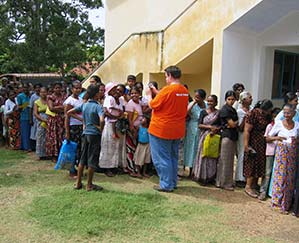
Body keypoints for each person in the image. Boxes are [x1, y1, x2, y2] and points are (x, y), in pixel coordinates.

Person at [146, 65, 189, 192]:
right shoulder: (184, 91)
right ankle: (172, 182)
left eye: (166, 76)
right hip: (177, 129)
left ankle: (165, 184)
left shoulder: (167, 90)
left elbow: (153, 104)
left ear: (170, 75)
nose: (166, 79)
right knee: (173, 157)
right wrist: (155, 91)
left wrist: (149, 95)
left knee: (161, 158)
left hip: (161, 129)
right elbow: (169, 99)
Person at [68, 85, 105, 191]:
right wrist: (100, 128)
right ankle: (89, 185)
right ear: (97, 94)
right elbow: (102, 120)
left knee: (82, 159)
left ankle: (78, 183)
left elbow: (69, 112)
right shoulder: (98, 107)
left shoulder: (84, 105)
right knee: (92, 160)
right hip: (94, 135)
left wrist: (83, 120)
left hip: (85, 134)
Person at [268, 104, 299, 213]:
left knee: (289, 179)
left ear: (294, 113)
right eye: (284, 112)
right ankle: (276, 201)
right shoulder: (278, 124)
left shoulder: (297, 125)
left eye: (288, 113)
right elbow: (268, 138)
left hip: (292, 154)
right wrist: (278, 138)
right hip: (281, 154)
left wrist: (296, 140)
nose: (286, 115)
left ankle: (285, 204)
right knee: (279, 177)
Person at [243, 99, 273, 198]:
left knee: (260, 163)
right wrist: (246, 145)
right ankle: (248, 186)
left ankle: (254, 184)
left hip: (263, 143)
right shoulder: (253, 114)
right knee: (252, 163)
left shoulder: (267, 115)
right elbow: (247, 130)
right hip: (253, 141)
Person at [99, 82, 126, 177]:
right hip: (109, 125)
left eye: (119, 90)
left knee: (116, 146)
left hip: (117, 125)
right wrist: (117, 117)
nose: (117, 92)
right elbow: (106, 112)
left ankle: (115, 166)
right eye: (115, 89)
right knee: (108, 146)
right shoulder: (108, 98)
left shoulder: (121, 100)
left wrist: (120, 116)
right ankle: (106, 168)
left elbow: (123, 110)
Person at [192, 95, 220, 185]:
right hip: (204, 136)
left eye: (211, 101)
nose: (209, 103)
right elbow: (199, 125)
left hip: (214, 137)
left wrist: (216, 129)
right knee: (203, 155)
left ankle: (210, 177)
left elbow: (221, 124)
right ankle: (202, 177)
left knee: (212, 156)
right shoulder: (203, 112)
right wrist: (210, 127)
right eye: (208, 101)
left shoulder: (218, 113)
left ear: (216, 103)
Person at [216, 91, 238, 190]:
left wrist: (233, 124)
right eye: (229, 99)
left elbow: (233, 124)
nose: (231, 101)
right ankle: (224, 183)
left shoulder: (232, 109)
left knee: (229, 160)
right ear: (225, 99)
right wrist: (234, 123)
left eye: (232, 99)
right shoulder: (225, 110)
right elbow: (233, 124)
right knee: (225, 160)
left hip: (232, 136)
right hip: (227, 136)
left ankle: (226, 181)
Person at [258, 107, 281, 200]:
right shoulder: (270, 126)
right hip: (270, 151)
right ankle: (263, 191)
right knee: (267, 172)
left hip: (280, 152)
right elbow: (266, 138)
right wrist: (277, 138)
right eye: (274, 116)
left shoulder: (283, 126)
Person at [183, 89, 206, 177]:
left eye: (198, 97)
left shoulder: (207, 105)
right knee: (191, 148)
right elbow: (186, 112)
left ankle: (197, 170)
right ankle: (189, 169)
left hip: (203, 129)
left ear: (203, 98)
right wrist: (193, 103)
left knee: (198, 149)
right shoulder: (192, 105)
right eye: (195, 96)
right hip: (193, 128)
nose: (196, 98)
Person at [64, 80, 83, 179]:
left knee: (79, 149)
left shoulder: (80, 99)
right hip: (72, 127)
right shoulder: (69, 101)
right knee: (72, 149)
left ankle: (77, 168)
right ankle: (71, 170)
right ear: (72, 89)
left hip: (80, 127)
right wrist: (67, 132)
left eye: (79, 88)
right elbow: (67, 116)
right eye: (76, 88)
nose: (78, 90)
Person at [46, 82, 67, 162]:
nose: (58, 89)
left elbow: (66, 107)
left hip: (62, 120)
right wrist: (61, 108)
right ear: (53, 89)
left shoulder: (64, 96)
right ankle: (53, 155)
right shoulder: (50, 97)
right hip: (53, 120)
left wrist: (57, 107)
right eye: (56, 88)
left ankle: (61, 154)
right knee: (53, 137)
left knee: (61, 136)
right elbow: (51, 108)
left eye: (59, 88)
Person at [235, 91, 253, 187]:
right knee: (241, 154)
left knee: (248, 156)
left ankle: (247, 176)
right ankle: (239, 178)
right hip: (242, 135)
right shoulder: (239, 111)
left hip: (250, 135)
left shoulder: (252, 109)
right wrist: (246, 117)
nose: (251, 99)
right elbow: (240, 127)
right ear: (244, 100)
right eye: (250, 97)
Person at [34, 87, 48, 160]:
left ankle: (47, 153)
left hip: (49, 119)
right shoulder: (37, 102)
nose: (43, 94)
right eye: (42, 92)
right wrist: (43, 119)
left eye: (45, 92)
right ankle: (40, 154)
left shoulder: (49, 101)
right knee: (40, 137)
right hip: (41, 120)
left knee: (48, 137)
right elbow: (35, 113)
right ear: (39, 93)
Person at [17, 83, 31, 151]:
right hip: (24, 116)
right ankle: (26, 147)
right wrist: (25, 105)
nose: (25, 89)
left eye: (27, 88)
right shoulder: (20, 96)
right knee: (25, 132)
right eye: (24, 88)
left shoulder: (31, 95)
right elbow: (18, 107)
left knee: (30, 133)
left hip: (31, 116)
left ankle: (31, 146)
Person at [29, 83, 41, 150]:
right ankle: (33, 147)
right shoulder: (33, 96)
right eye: (36, 88)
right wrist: (30, 119)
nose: (37, 89)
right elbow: (30, 108)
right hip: (34, 116)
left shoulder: (43, 96)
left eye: (39, 87)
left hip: (42, 116)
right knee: (33, 132)